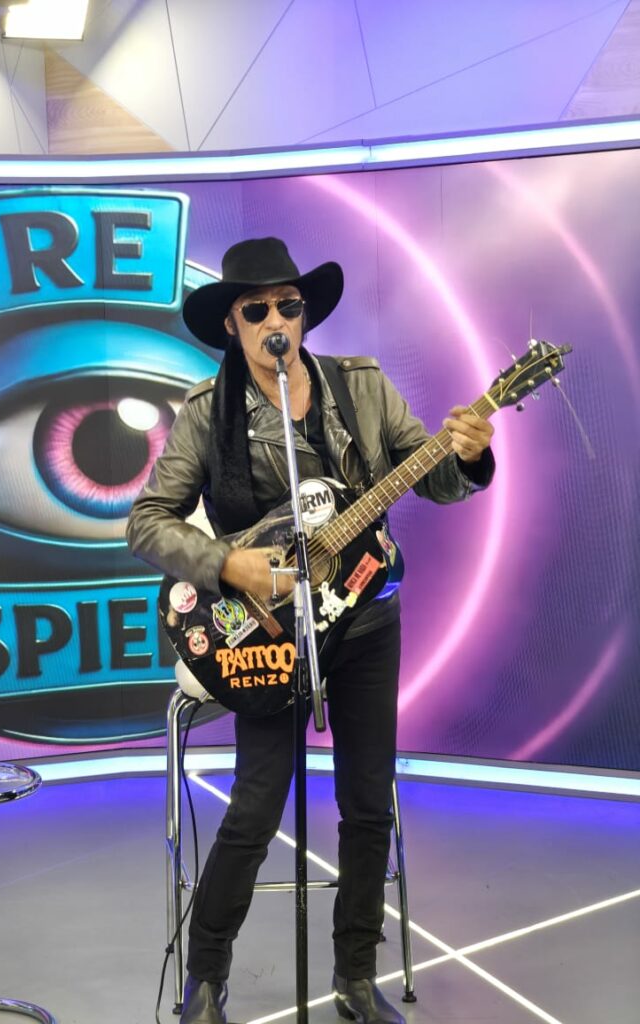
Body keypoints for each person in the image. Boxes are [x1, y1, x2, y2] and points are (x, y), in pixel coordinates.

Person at [126, 237, 494, 1024]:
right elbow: (147, 522)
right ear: (232, 324)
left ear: (304, 314)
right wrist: (230, 566)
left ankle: (355, 977)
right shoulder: (208, 412)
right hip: (265, 634)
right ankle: (205, 979)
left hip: (365, 620)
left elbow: (431, 478)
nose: (275, 321)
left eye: (288, 306)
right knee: (257, 805)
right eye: (256, 309)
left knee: (367, 804)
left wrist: (468, 456)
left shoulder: (359, 387)